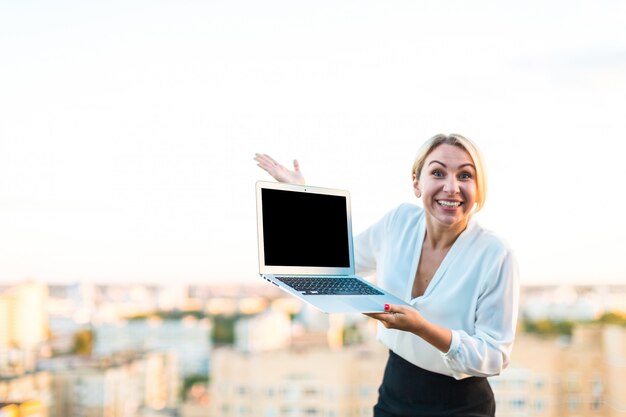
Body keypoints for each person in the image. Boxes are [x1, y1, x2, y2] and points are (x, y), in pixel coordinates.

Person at [254, 133, 519, 417]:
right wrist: (300, 194)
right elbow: (337, 262)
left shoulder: (495, 253)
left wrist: (422, 328)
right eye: (438, 172)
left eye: (465, 175)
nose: (451, 187)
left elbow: (494, 356)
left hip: (462, 405)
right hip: (395, 391)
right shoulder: (398, 223)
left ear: (479, 188)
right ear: (417, 182)